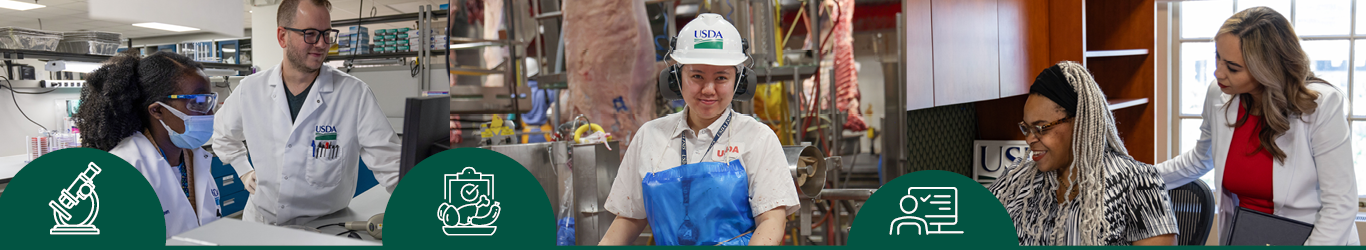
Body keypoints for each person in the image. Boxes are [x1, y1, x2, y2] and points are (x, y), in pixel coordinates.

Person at [1156, 7, 1359, 245]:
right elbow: (1200, 159)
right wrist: (1133, 177)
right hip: (1247, 237)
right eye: (1217, 57)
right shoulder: (1218, 94)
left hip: (1313, 239)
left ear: (1268, 68)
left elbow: (1340, 204)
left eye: (1233, 67)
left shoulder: (1321, 105)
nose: (1218, 72)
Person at [596, 13, 800, 246]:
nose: (709, 90)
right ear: (675, 78)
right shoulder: (649, 137)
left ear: (740, 81)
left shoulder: (759, 138)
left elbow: (772, 221)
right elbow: (629, 218)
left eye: (722, 78)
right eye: (697, 76)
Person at [210, 0, 402, 225]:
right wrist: (243, 170)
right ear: (282, 36)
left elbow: (391, 164)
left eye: (327, 34)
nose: (322, 44)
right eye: (310, 34)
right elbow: (222, 135)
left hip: (327, 226)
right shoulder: (251, 90)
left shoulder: (354, 94)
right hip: (261, 224)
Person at [988, 62, 1179, 245]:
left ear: (1079, 123)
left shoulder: (1138, 183)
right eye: (1026, 128)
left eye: (1041, 128)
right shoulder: (1018, 180)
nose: (1029, 139)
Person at [74, 52, 221, 238]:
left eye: (210, 101)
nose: (210, 113)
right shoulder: (124, 169)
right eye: (198, 102)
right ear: (157, 110)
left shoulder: (193, 158)